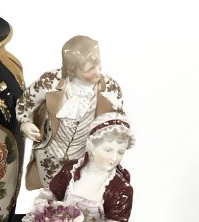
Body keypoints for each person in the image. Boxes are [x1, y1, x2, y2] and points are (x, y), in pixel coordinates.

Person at [16, 36, 124, 190]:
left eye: (98, 65)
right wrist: (25, 122)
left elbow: (119, 126)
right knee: (52, 194)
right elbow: (25, 101)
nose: (97, 72)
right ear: (72, 69)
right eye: (90, 69)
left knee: (77, 195)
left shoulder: (110, 90)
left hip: (85, 160)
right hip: (49, 156)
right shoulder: (51, 81)